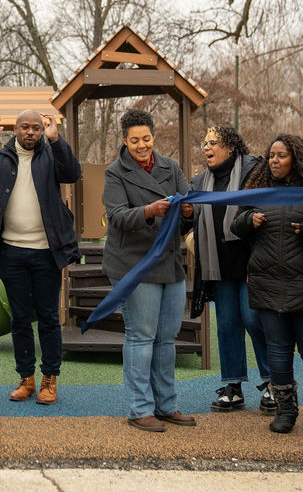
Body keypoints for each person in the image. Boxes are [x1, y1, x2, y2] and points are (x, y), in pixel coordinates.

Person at [0, 110, 81, 406]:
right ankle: (26, 379)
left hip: (47, 252)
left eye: (36, 128)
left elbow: (72, 172)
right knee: (19, 318)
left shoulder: (50, 154)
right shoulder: (1, 157)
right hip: (12, 252)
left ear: (42, 130)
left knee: (47, 317)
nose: (31, 132)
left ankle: (49, 379)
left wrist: (57, 140)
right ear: (15, 130)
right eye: (24, 127)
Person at [103, 109, 195, 432]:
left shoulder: (171, 167)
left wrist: (188, 210)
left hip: (170, 263)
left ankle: (166, 405)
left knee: (166, 339)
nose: (142, 145)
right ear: (124, 141)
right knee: (142, 336)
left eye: (146, 138)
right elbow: (116, 216)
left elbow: (188, 211)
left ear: (154, 137)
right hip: (134, 265)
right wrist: (149, 211)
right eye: (134, 140)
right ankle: (140, 409)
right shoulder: (115, 173)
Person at [231, 133, 303, 439]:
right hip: (268, 285)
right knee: (278, 354)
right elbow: (235, 224)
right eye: (271, 156)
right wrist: (248, 220)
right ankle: (286, 412)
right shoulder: (259, 190)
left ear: (296, 158)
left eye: (281, 155)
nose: (274, 161)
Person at [189, 125, 274, 414]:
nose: (206, 147)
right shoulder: (200, 181)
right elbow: (188, 220)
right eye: (204, 142)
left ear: (231, 147)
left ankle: (274, 383)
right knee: (226, 324)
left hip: (252, 262)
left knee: (254, 321)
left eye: (213, 142)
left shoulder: (255, 170)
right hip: (219, 265)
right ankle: (233, 387)